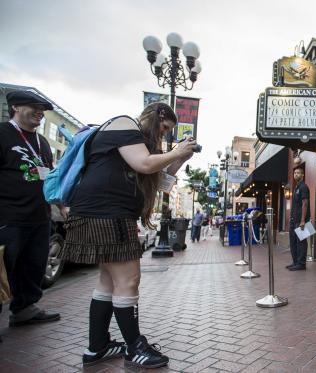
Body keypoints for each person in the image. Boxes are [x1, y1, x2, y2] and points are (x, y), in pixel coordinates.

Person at [59, 103, 196, 368]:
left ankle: (97, 347)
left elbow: (161, 179)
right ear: (156, 116)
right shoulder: (124, 124)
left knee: (108, 282)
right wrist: (175, 150)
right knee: (129, 279)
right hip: (106, 214)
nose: (163, 134)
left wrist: (179, 158)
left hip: (106, 214)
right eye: (164, 128)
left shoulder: (137, 142)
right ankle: (134, 347)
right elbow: (144, 164)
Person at [0, 91, 61, 334]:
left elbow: (50, 175)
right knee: (3, 268)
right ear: (15, 106)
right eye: (34, 107)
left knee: (33, 265)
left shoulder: (42, 142)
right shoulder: (3, 133)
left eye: (42, 110)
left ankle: (24, 310)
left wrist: (60, 205)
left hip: (40, 215)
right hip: (9, 216)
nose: (40, 113)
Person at [287, 166, 310, 271]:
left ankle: (301, 264)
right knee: (293, 242)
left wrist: (302, 220)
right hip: (293, 220)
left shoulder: (304, 187)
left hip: (301, 221)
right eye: (295, 173)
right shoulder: (296, 187)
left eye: (298, 173)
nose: (296, 174)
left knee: (301, 242)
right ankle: (295, 262)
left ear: (302, 175)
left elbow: (305, 204)